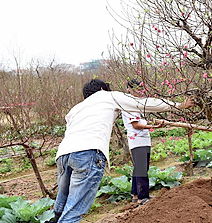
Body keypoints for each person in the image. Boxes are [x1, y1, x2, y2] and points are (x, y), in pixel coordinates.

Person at [53, 79, 194, 223]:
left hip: (63, 154)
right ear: (102, 89)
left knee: (61, 202)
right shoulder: (108, 96)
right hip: (88, 153)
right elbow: (143, 103)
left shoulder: (76, 108)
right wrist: (179, 105)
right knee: (74, 210)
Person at [121, 80, 164, 205]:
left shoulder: (137, 105)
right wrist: (153, 127)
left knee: (139, 168)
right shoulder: (130, 105)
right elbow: (135, 124)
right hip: (137, 140)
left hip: (143, 139)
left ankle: (135, 195)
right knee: (141, 169)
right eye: (139, 89)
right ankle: (142, 197)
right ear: (131, 90)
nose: (141, 92)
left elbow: (141, 121)